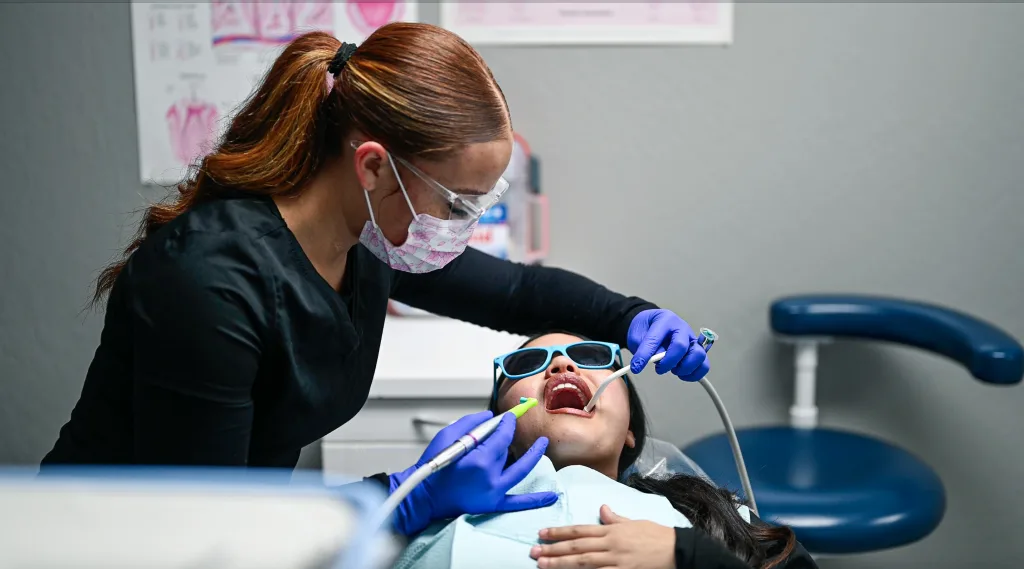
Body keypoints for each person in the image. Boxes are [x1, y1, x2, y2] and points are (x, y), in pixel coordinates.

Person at [40, 23, 710, 538]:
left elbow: (513, 292)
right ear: (372, 167)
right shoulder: (211, 286)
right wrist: (407, 492)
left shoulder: (363, 237)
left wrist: (630, 317)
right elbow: (214, 526)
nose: (461, 228)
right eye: (457, 205)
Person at [391, 332, 817, 569]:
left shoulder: (706, 517)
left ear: (630, 430)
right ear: (501, 429)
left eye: (589, 356)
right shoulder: (429, 517)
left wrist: (687, 556)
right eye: (527, 364)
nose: (561, 367)